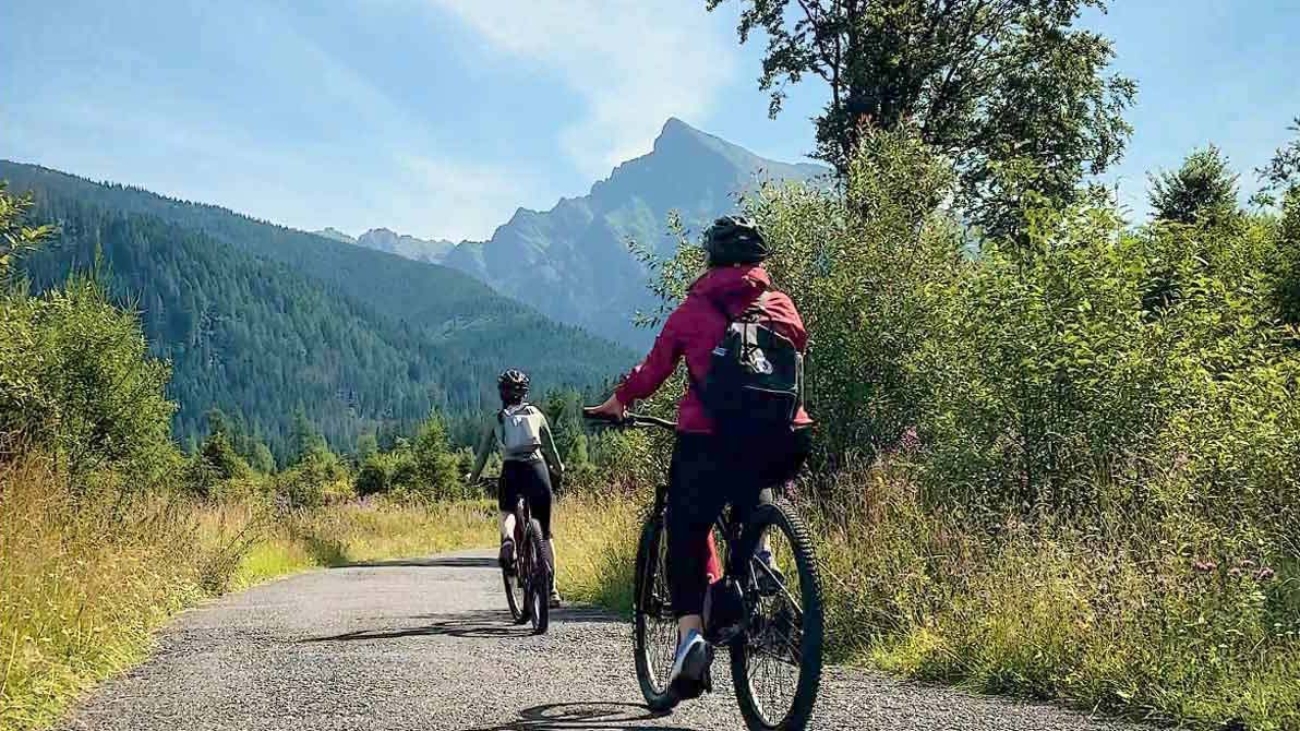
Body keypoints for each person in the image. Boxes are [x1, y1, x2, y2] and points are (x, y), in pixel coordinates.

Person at [586, 215, 813, 699]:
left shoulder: (693, 310)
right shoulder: (783, 306)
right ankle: (761, 551)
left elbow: (655, 367)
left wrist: (620, 401)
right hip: (785, 440)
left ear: (710, 257)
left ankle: (691, 637)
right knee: (755, 474)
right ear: (760, 260)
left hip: (708, 441)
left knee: (686, 529)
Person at [468, 369, 566, 608]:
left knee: (507, 512)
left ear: (502, 393)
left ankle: (509, 539)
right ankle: (552, 589)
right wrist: (559, 469)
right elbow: (551, 450)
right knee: (544, 530)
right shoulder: (536, 414)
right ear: (525, 392)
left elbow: (482, 455)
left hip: (511, 469)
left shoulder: (497, 418)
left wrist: (474, 477)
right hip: (537, 468)